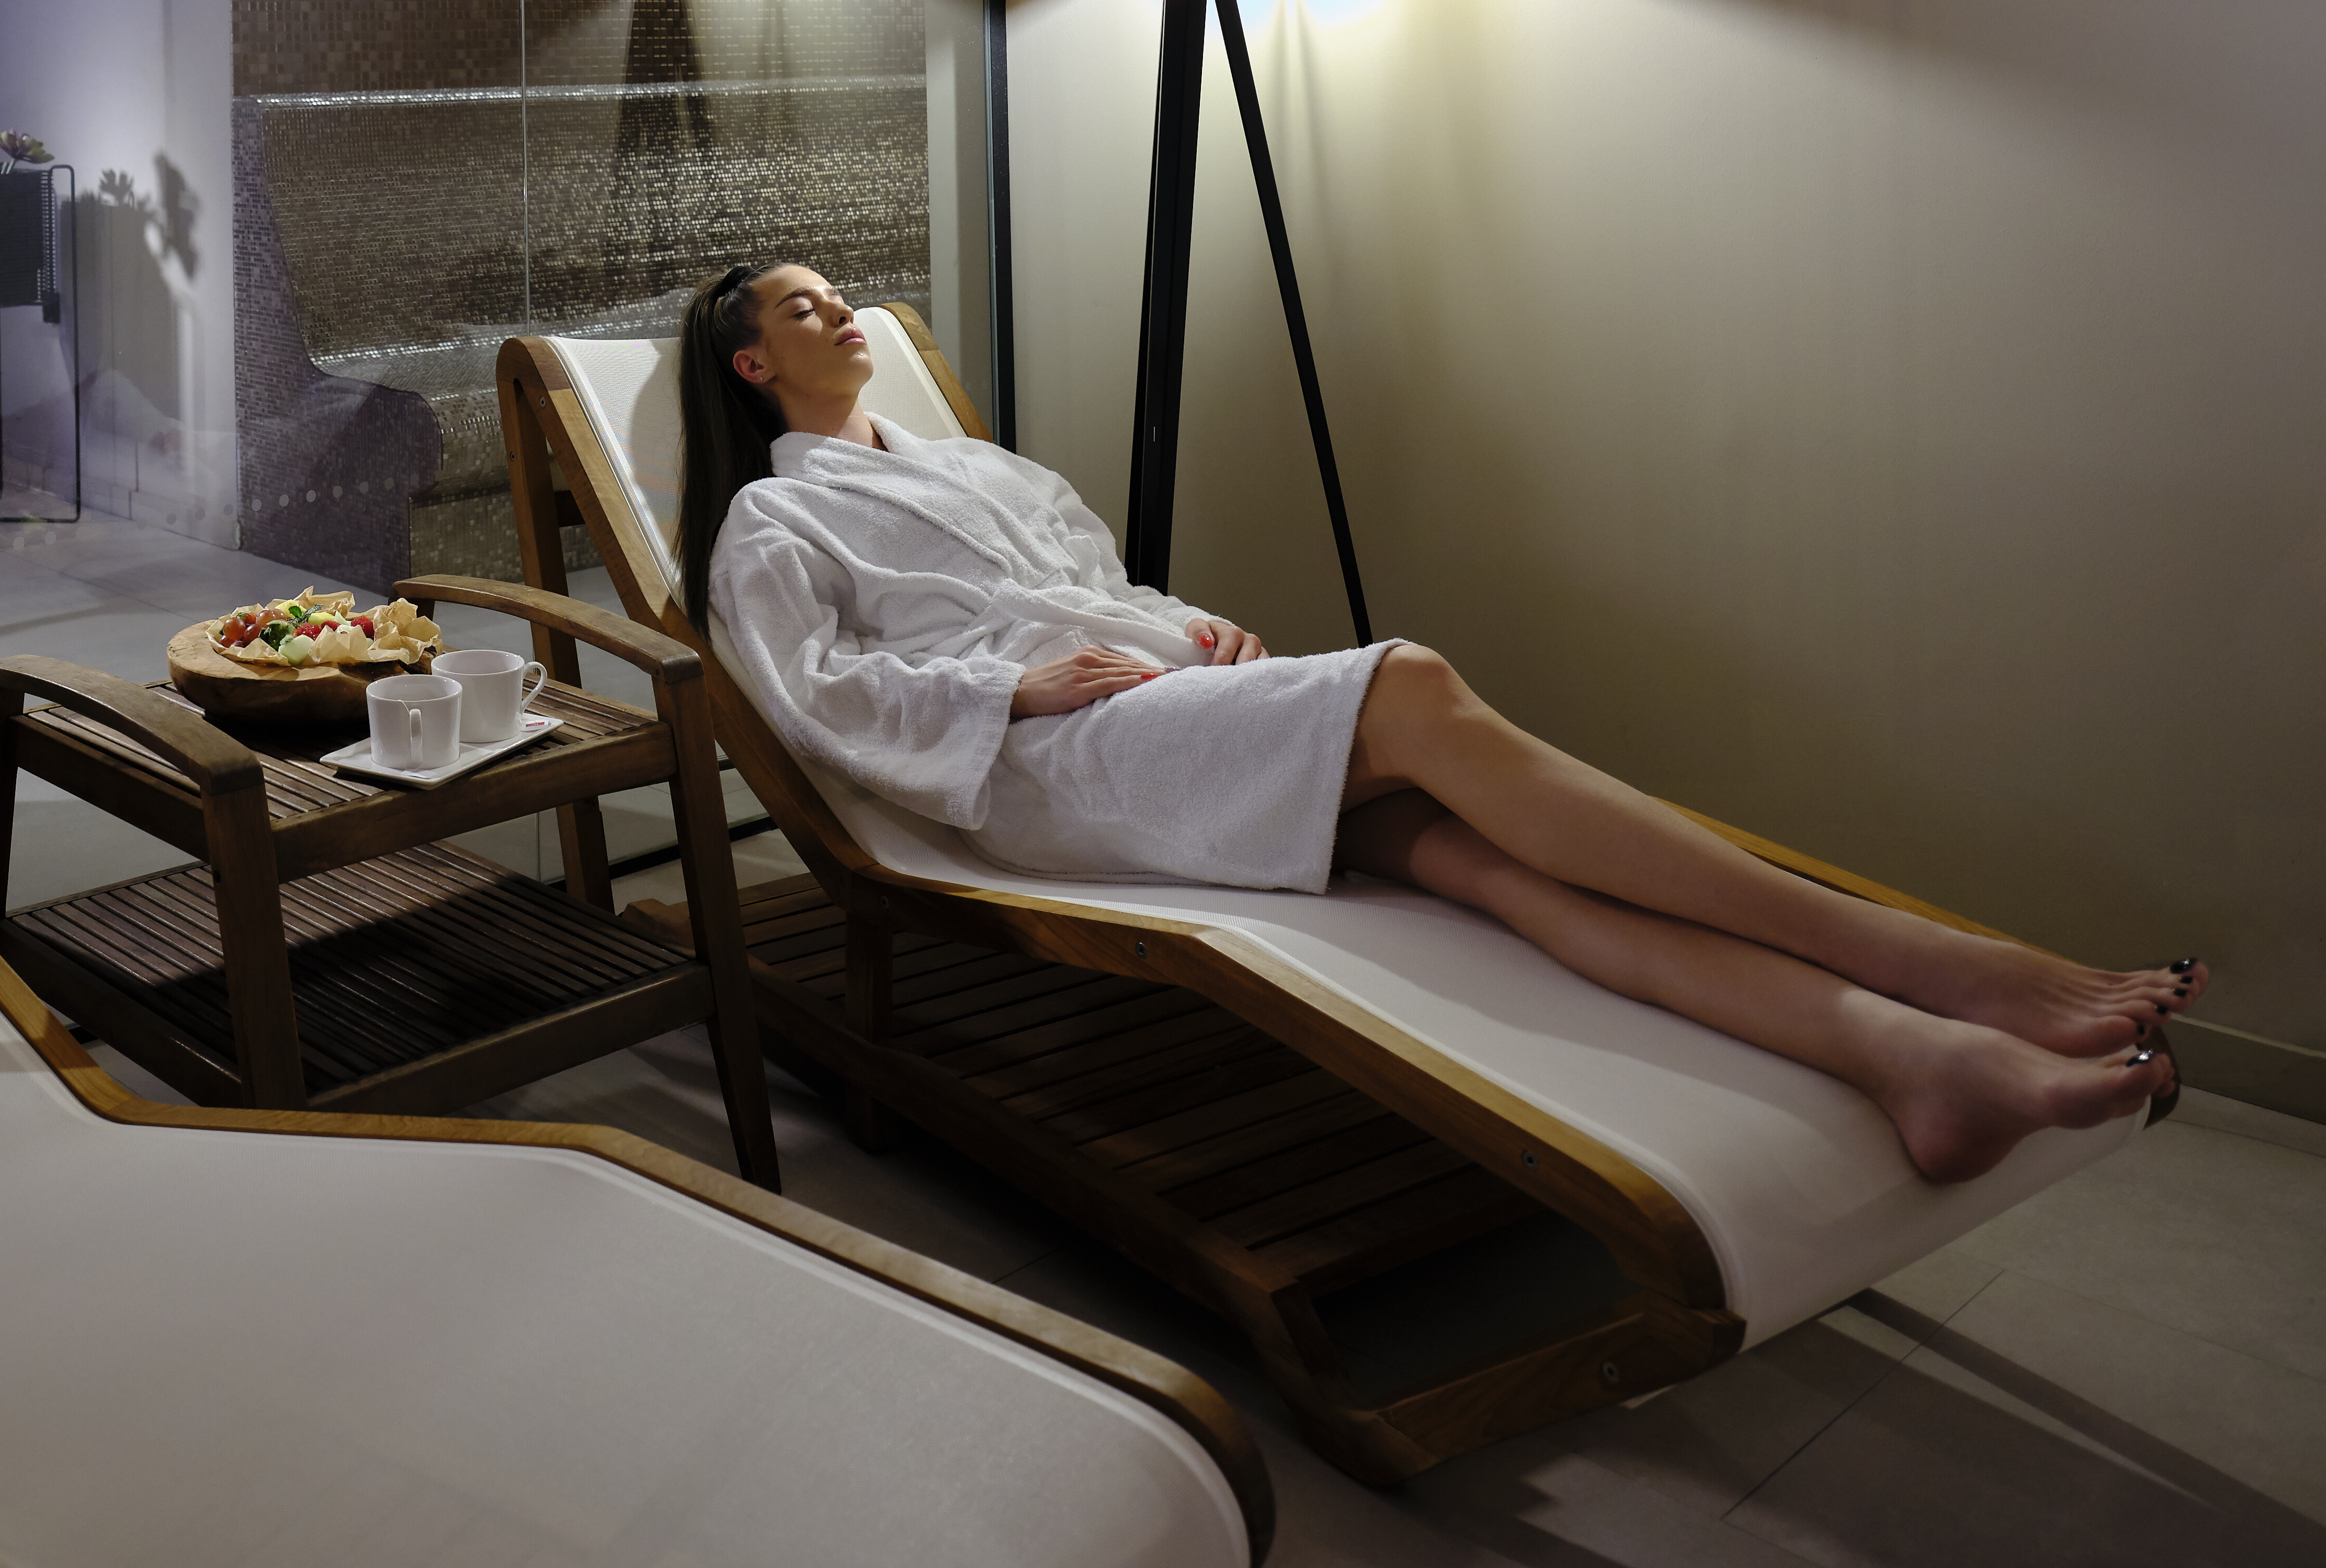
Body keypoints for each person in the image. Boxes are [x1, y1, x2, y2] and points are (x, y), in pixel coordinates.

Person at [679, 260, 2195, 1184]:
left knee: (1497, 867)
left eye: (839, 295)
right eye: (807, 309)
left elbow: (1103, 583)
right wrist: (1005, 688)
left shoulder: (981, 467)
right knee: (1406, 683)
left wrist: (1196, 627)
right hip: (1039, 768)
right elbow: (809, 693)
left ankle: (1917, 1063)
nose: (843, 312)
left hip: (1155, 712)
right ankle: (1929, 962)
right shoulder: (772, 518)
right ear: (755, 366)